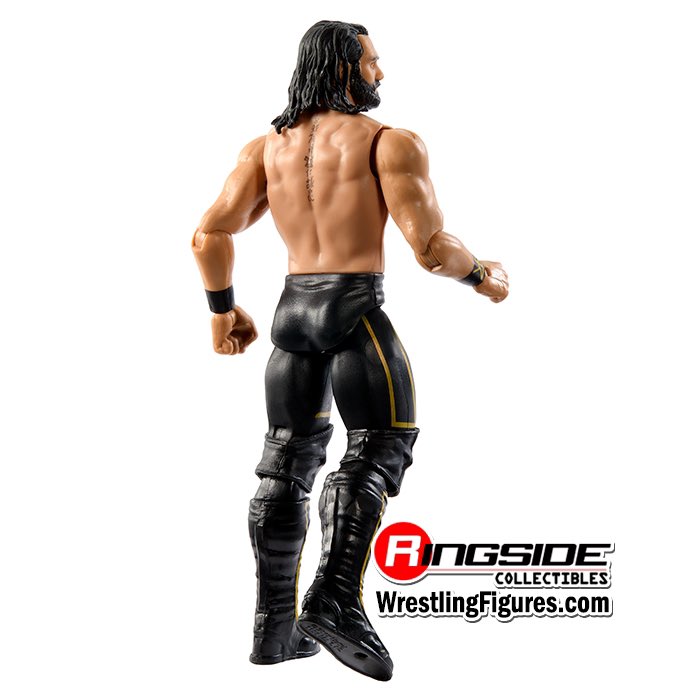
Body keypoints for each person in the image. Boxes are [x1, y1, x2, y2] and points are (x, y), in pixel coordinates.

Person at [192, 20, 509, 682]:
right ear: (343, 68)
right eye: (371, 62)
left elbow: (209, 234)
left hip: (290, 318)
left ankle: (274, 630)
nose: (381, 74)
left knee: (285, 464)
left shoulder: (265, 149)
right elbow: (431, 249)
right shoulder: (389, 143)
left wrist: (223, 310)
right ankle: (334, 598)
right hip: (352, 309)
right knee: (381, 445)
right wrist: (484, 275)